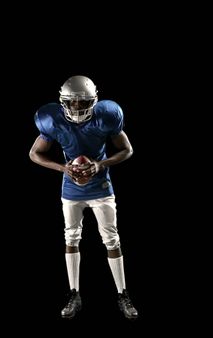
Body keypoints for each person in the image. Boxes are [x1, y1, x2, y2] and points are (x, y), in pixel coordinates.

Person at [29, 75, 139, 320]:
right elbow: (34, 153)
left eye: (83, 102)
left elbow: (127, 149)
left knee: (112, 239)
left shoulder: (107, 115)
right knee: (71, 236)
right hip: (70, 189)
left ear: (94, 101)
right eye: (71, 102)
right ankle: (74, 292)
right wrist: (63, 168)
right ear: (62, 102)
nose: (77, 107)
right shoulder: (52, 120)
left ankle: (123, 293)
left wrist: (100, 164)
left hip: (101, 186)